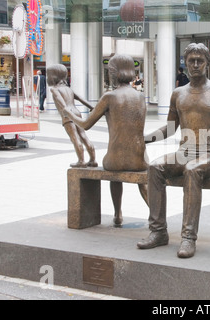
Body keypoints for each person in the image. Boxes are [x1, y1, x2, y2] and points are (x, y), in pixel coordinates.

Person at [137, 43, 210, 258]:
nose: (195, 64)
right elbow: (169, 129)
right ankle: (158, 231)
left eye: (200, 60)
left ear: (207, 63)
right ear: (185, 63)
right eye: (191, 61)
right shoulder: (178, 94)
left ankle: (188, 237)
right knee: (155, 167)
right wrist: (143, 139)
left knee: (192, 170)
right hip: (184, 151)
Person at [62, 54, 148, 226]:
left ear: (114, 73)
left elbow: (86, 124)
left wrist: (69, 112)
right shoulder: (140, 97)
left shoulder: (110, 96)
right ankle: (155, 214)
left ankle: (117, 214)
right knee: (142, 177)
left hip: (115, 160)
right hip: (139, 159)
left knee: (114, 171)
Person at [47, 64, 98, 169]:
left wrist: (65, 110)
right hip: (77, 112)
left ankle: (81, 161)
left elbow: (60, 100)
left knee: (75, 138)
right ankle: (93, 160)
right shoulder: (68, 89)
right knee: (83, 136)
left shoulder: (55, 89)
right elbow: (81, 99)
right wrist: (92, 107)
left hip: (68, 115)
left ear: (53, 77)